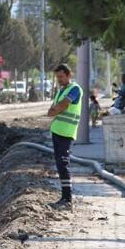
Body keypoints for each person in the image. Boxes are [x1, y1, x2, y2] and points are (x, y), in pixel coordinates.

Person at [46, 64, 83, 209]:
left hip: (66, 133)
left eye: (61, 76)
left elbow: (62, 106)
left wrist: (55, 110)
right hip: (57, 131)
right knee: (60, 166)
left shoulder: (75, 89)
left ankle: (67, 199)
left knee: (63, 164)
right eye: (57, 77)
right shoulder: (62, 90)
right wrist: (54, 109)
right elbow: (53, 108)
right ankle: (64, 197)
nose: (59, 80)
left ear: (69, 75)